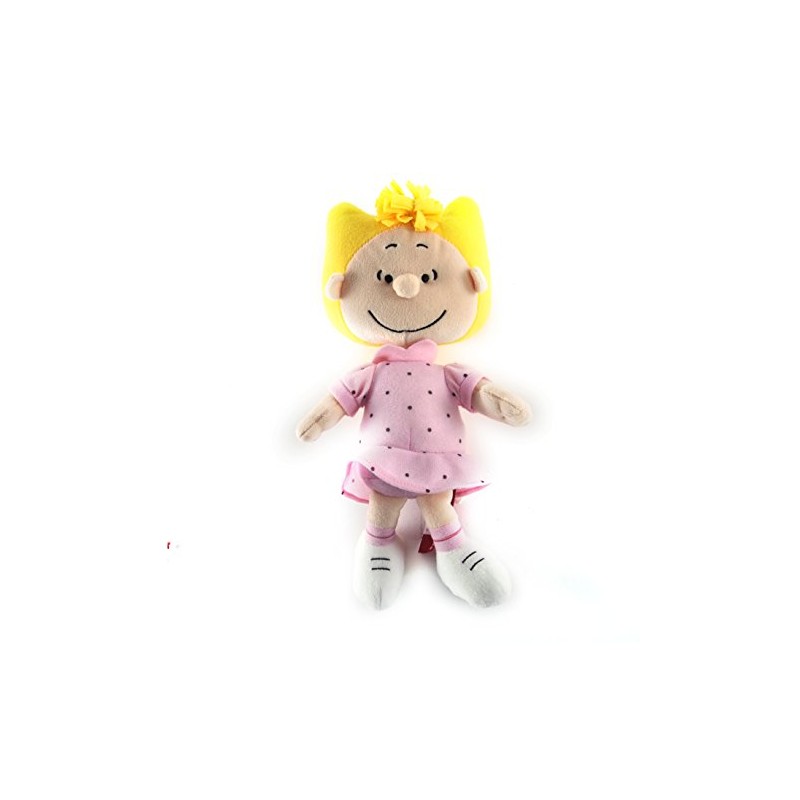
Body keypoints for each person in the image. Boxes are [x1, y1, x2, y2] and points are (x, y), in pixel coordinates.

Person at [296, 182, 531, 609]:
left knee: (438, 504)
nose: (406, 286)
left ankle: (455, 550)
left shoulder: (448, 373)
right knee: (382, 502)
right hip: (381, 458)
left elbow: (478, 393)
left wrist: (503, 405)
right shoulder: (368, 374)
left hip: (437, 459)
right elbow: (337, 403)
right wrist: (316, 422)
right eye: (385, 278)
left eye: (428, 277)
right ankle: (378, 548)